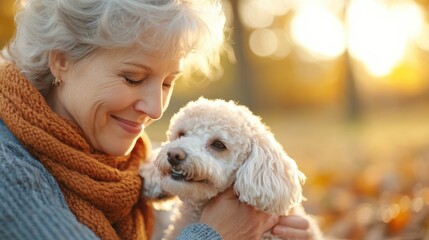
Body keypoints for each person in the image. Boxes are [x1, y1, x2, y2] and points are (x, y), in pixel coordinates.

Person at [0, 0, 313, 239]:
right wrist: (215, 233)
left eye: (167, 82)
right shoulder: (8, 170)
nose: (156, 109)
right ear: (61, 60)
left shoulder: (128, 172)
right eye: (133, 78)